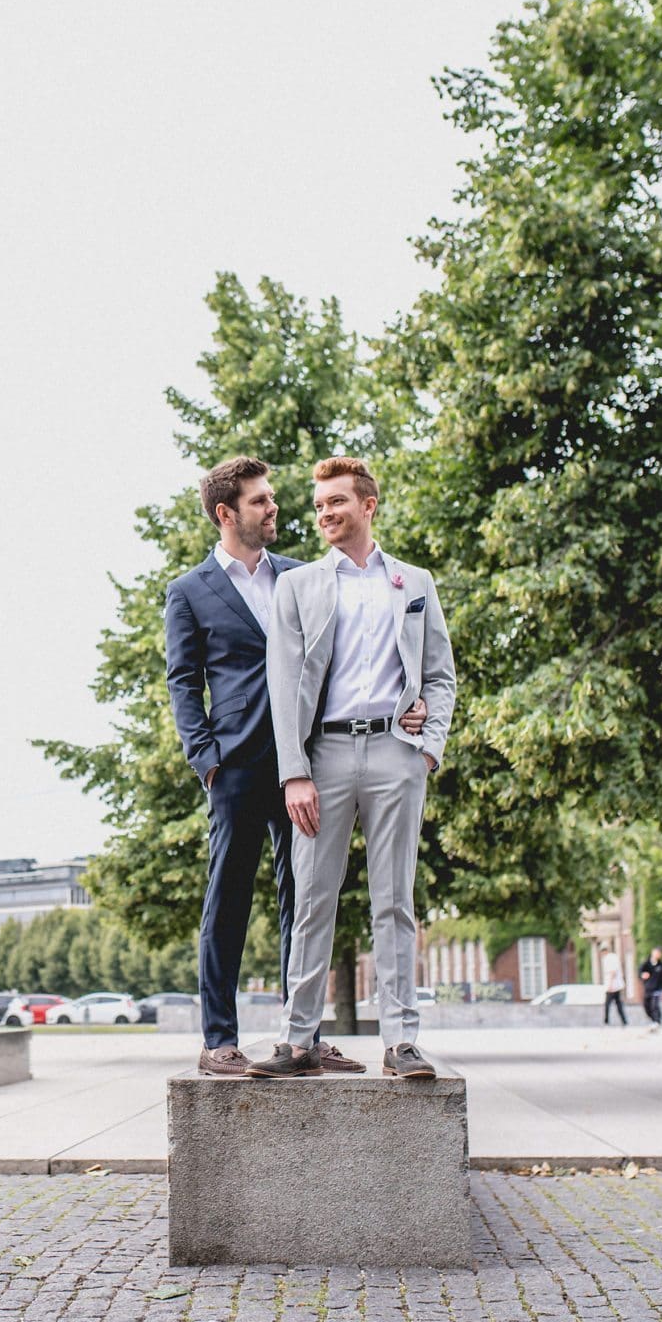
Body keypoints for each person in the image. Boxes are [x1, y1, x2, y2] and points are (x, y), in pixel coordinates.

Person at [165, 458, 419, 1078]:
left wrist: (409, 705)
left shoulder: (302, 576)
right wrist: (207, 760)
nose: (274, 509)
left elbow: (349, 656)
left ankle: (299, 1034)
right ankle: (219, 1038)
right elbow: (182, 682)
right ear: (227, 514)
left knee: (304, 897)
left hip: (308, 759)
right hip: (237, 765)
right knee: (227, 898)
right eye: (260, 502)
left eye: (274, 498)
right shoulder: (190, 590)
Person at [249, 456, 456, 1081]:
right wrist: (293, 773)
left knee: (395, 900)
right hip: (324, 759)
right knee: (312, 899)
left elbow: (441, 675)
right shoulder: (299, 586)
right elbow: (282, 687)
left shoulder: (415, 582)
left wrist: (429, 745)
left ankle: (401, 1043)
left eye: (336, 501)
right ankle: (298, 1039)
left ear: (368, 505)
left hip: (397, 755)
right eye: (318, 506)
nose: (324, 514)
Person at [638, 947, 662, 1028]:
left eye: (659, 953)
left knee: (655, 1005)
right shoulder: (646, 964)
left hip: (657, 989)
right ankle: (653, 1020)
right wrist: (642, 975)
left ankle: (657, 1021)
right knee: (646, 1005)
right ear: (652, 953)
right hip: (648, 989)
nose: (657, 954)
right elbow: (640, 972)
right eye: (656, 952)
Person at [601, 948, 629, 1026]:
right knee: (618, 1004)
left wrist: (610, 985)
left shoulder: (608, 959)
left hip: (612, 986)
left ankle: (606, 1021)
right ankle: (624, 1021)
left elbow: (612, 972)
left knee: (607, 1004)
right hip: (617, 986)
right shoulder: (614, 957)